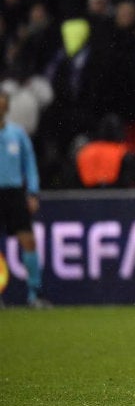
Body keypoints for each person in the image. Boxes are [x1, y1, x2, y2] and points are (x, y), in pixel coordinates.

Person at [0, 91, 50, 308]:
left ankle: (34, 294)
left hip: (14, 193)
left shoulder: (17, 134)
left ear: (7, 108)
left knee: (28, 241)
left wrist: (32, 192)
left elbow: (29, 165)